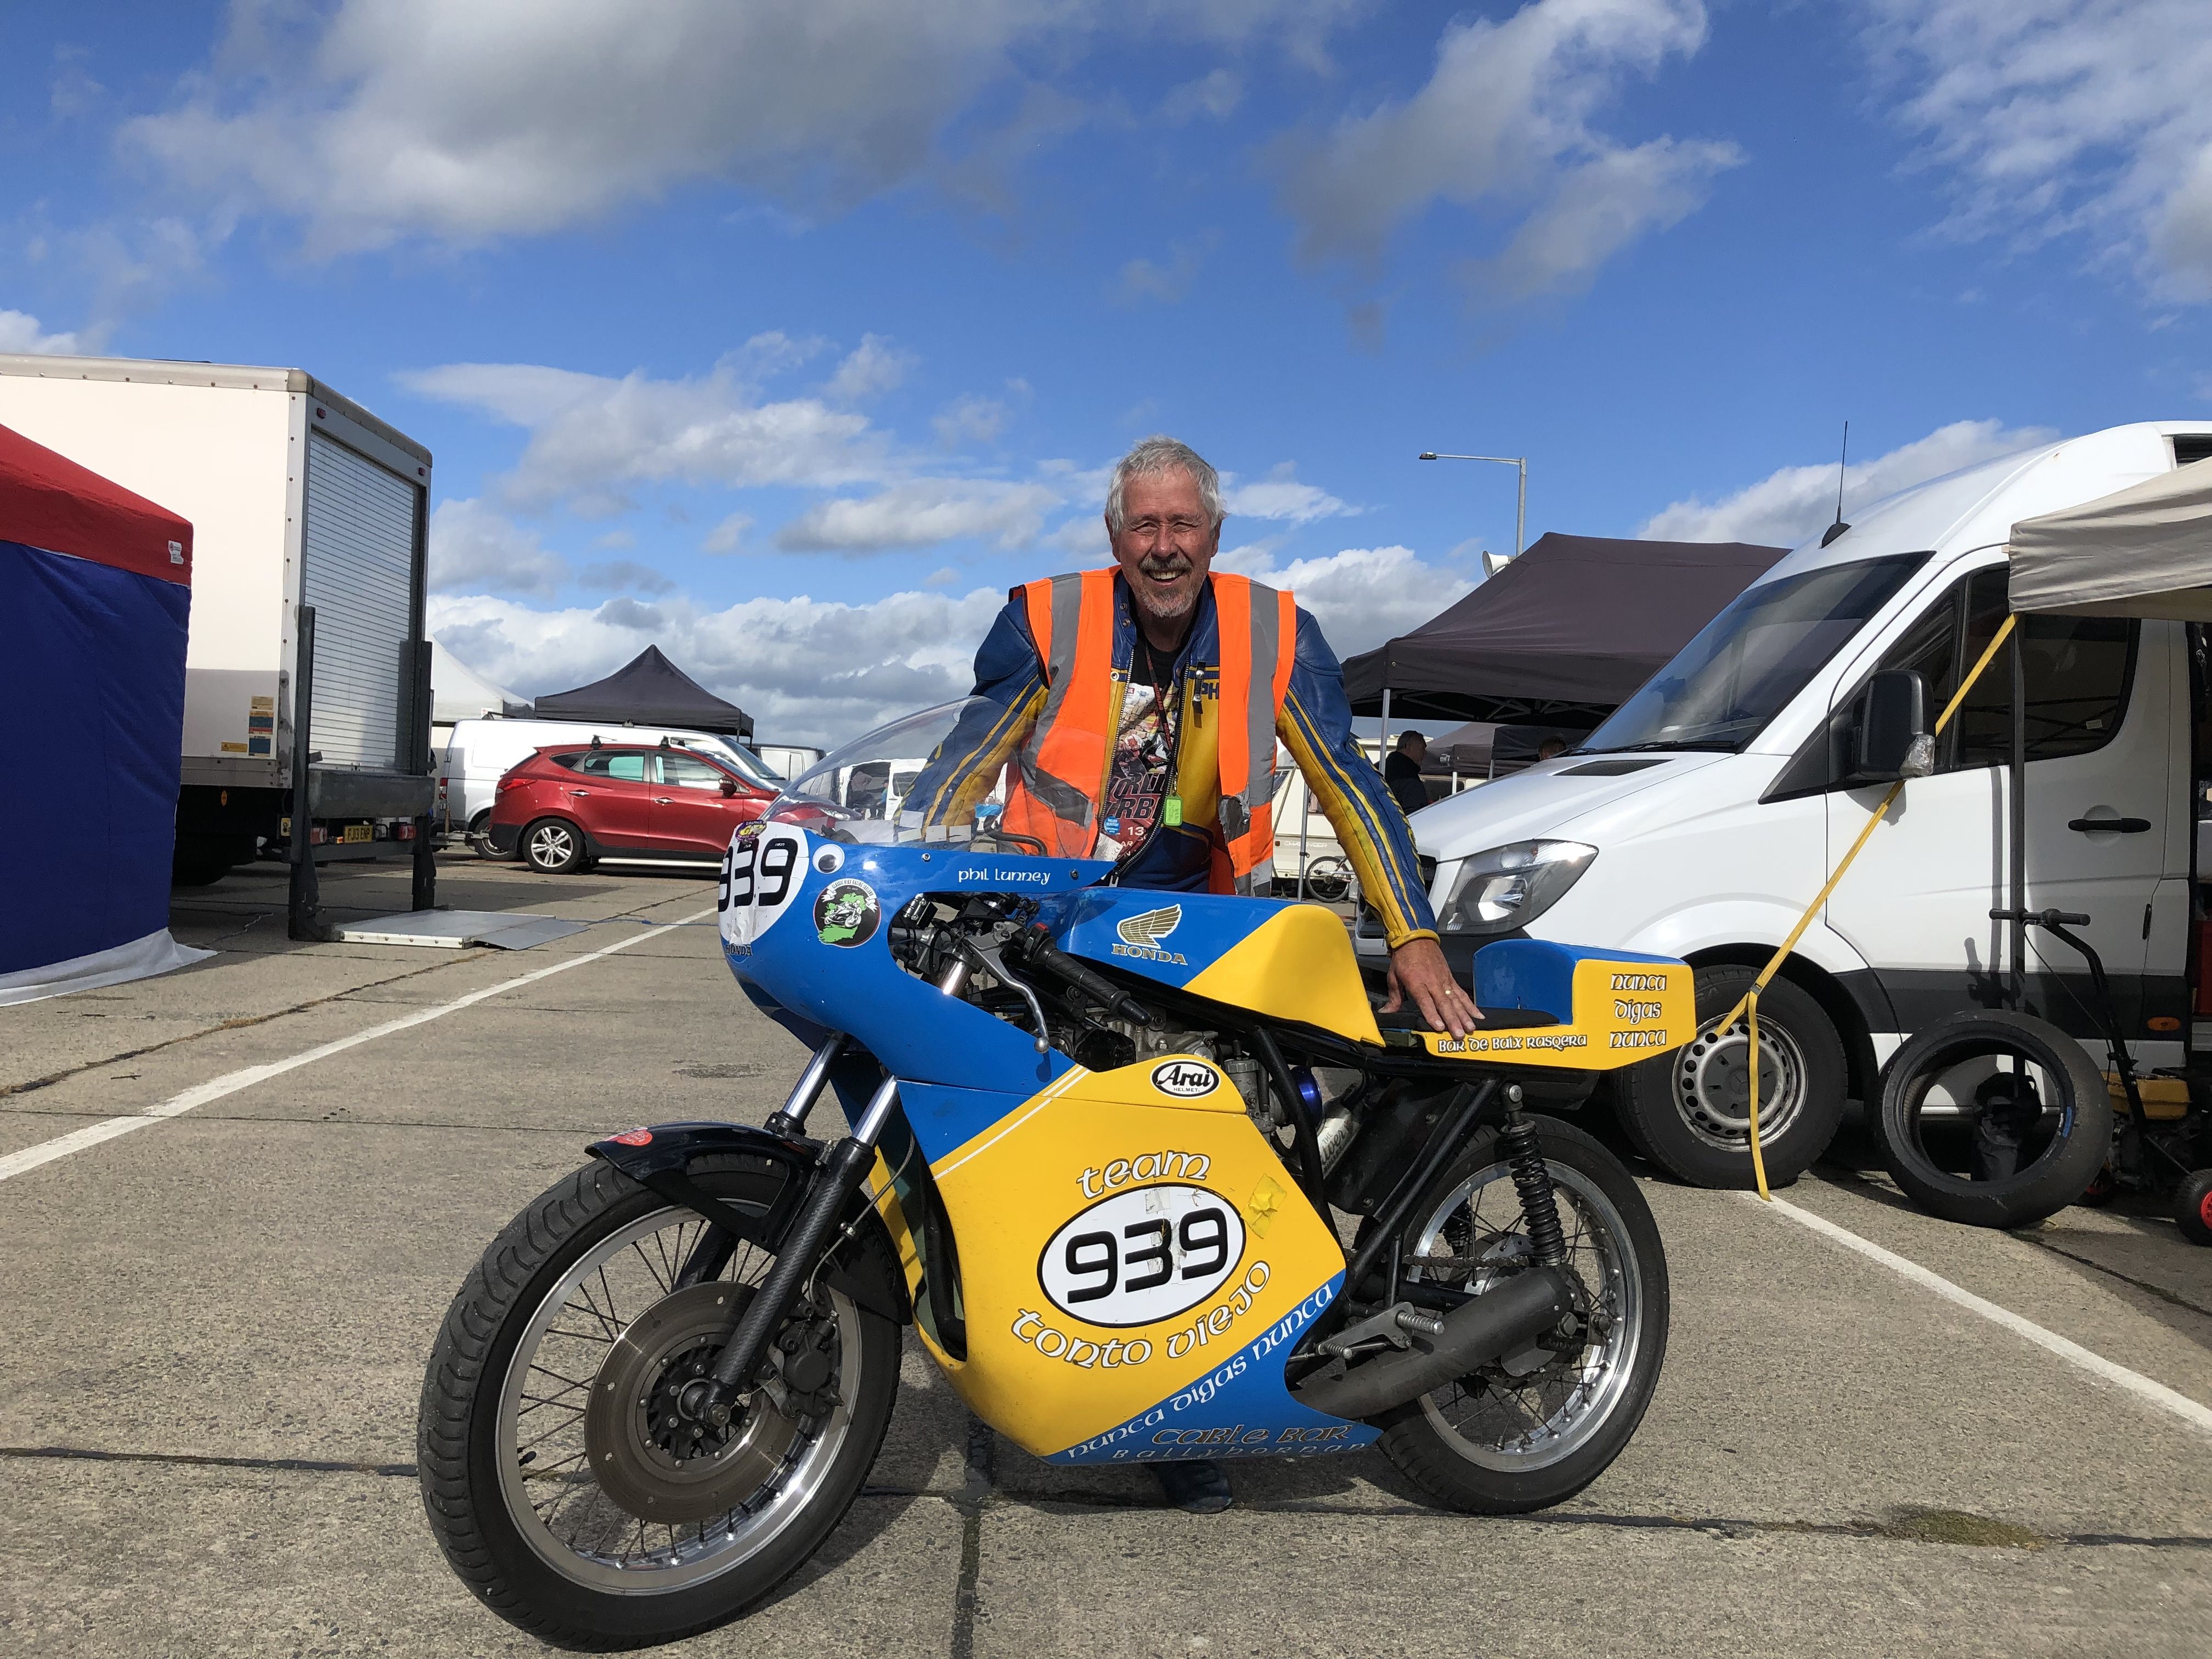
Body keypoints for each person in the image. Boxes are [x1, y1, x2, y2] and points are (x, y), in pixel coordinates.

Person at [907, 436, 1480, 1516]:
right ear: (1113, 536)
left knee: (1199, 1175)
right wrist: (916, 870)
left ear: (1214, 536)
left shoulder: (1274, 631)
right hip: (1054, 924)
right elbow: (969, 755)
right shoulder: (1045, 616)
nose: (1164, 548)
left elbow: (1346, 782)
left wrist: (1409, 930)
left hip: (1202, 937)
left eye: (1183, 527)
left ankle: (1191, 1414)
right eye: (1144, 526)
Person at [1383, 730, 1430, 817]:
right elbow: (1415, 814)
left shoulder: (1379, 768)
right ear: (1409, 747)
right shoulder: (1409, 778)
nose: (1425, 754)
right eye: (1422, 748)